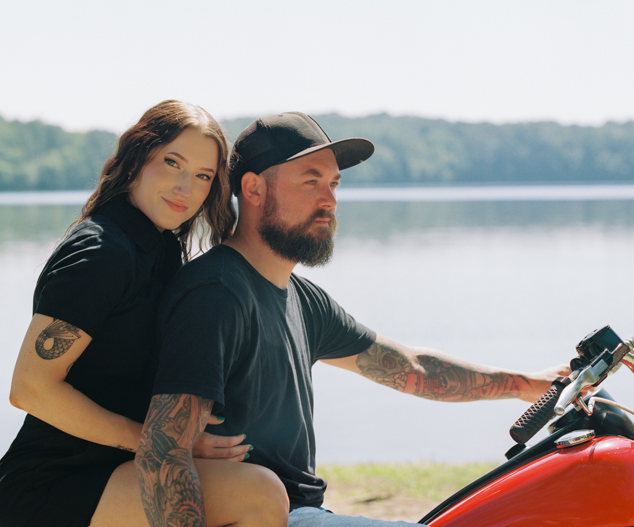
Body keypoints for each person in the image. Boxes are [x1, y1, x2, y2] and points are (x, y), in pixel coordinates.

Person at [137, 112, 570, 526]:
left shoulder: (303, 300)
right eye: (311, 182)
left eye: (333, 183)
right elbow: (164, 453)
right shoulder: (215, 293)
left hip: (305, 513)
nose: (329, 200)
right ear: (252, 189)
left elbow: (411, 368)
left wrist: (528, 386)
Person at [0, 100, 289, 527]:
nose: (186, 188)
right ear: (136, 158)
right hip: (50, 486)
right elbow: (31, 389)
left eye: (203, 176)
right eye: (172, 163)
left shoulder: (162, 251)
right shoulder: (102, 252)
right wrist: (158, 443)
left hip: (115, 471)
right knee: (257, 495)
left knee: (262, 483)